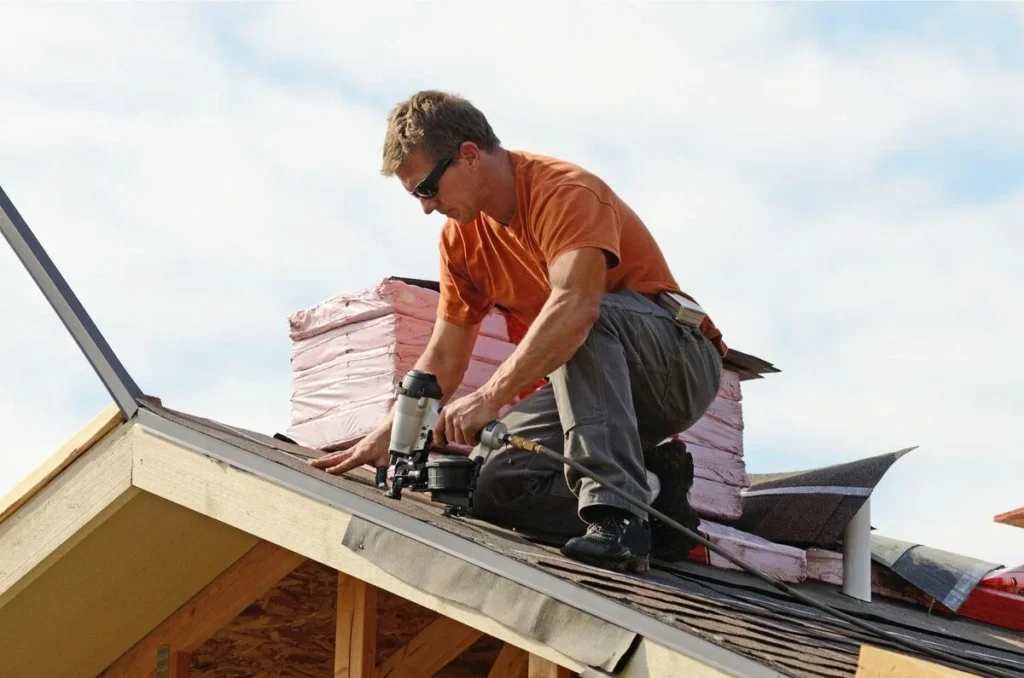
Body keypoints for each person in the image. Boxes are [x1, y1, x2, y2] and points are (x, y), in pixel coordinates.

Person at [311, 90, 727, 573]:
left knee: (576, 317)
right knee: (497, 482)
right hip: (593, 386)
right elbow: (445, 357)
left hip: (677, 365)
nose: (426, 207)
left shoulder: (566, 191)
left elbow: (576, 307)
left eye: (427, 188)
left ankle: (619, 520)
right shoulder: (459, 240)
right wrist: (385, 436)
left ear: (469, 155)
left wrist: (489, 398)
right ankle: (658, 504)